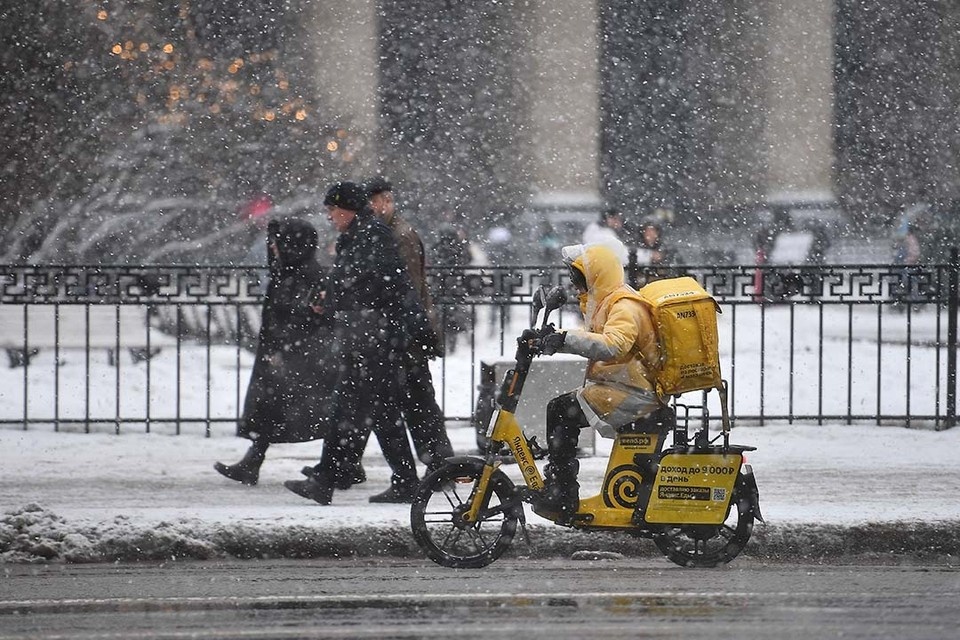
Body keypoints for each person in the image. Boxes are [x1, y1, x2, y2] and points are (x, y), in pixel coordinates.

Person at [283, 181, 439, 505]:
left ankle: (401, 480)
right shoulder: (358, 236)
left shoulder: (372, 235)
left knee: (380, 412)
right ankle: (329, 479)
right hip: (367, 337)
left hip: (378, 338)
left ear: (347, 209)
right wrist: (329, 299)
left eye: (331, 210)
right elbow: (356, 282)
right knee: (352, 408)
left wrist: (337, 297)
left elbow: (377, 284)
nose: (329, 217)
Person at [215, 218, 355, 486]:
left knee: (314, 411)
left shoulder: (308, 276)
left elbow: (315, 318)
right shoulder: (287, 273)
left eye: (279, 243)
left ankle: (343, 466)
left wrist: (286, 345)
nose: (274, 249)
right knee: (276, 409)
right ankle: (254, 461)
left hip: (301, 357)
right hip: (286, 354)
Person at [527, 243, 662, 520]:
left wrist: (565, 339)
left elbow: (614, 345)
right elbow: (600, 338)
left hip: (637, 394)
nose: (577, 287)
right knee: (562, 407)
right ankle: (560, 484)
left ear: (596, 276)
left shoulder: (625, 306)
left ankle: (563, 492)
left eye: (580, 280)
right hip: (625, 389)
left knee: (561, 410)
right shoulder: (610, 303)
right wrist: (557, 337)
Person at [365, 176, 454, 473]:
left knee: (418, 403)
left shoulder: (399, 235)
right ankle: (438, 466)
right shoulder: (388, 232)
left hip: (408, 334)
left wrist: (406, 330)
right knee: (416, 402)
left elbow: (409, 289)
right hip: (405, 332)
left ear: (386, 202)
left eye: (373, 202)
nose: (370, 209)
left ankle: (439, 466)